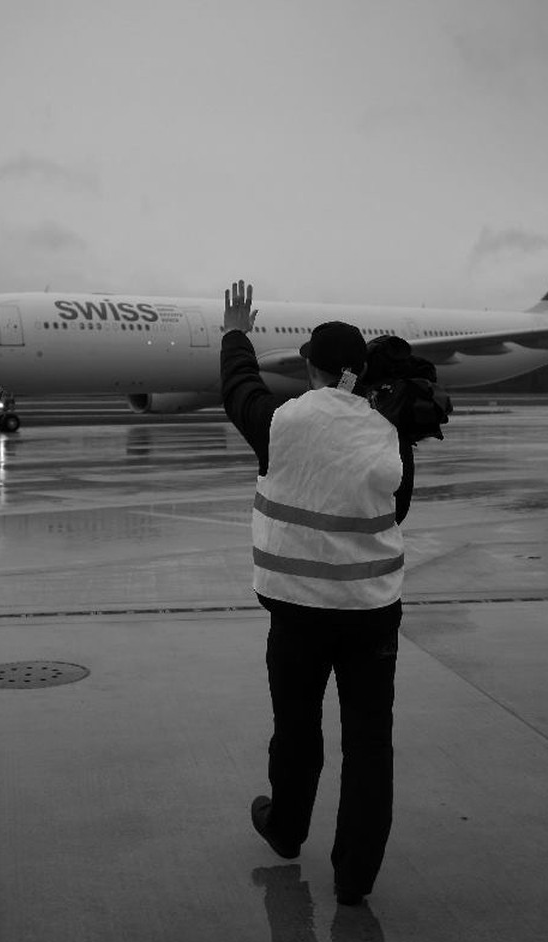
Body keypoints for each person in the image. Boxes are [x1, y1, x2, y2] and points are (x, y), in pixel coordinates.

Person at [220, 279, 412, 907]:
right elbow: (398, 505)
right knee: (369, 744)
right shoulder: (388, 432)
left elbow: (239, 391)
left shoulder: (283, 423)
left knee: (297, 728)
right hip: (372, 614)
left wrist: (235, 334)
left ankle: (287, 828)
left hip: (298, 611)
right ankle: (355, 877)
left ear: (311, 367)